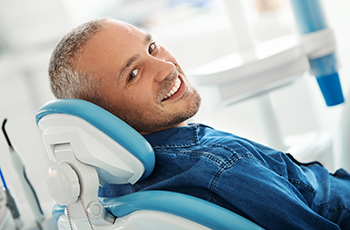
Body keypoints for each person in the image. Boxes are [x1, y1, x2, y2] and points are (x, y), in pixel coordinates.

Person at [48, 17, 350, 229]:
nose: (166, 67)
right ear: (103, 116)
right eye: (133, 74)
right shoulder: (222, 166)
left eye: (151, 47)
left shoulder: (107, 194)